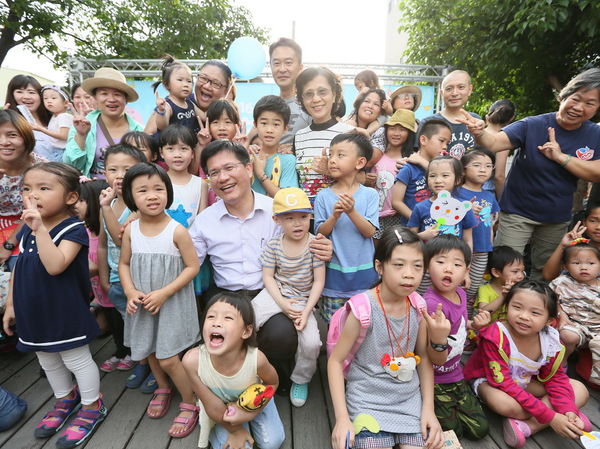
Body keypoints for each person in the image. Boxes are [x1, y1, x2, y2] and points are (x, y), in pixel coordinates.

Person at [188, 139, 332, 391]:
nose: (223, 178)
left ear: (248, 169)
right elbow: (189, 263)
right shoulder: (205, 220)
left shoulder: (276, 212)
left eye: (229, 168)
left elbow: (307, 240)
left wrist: (325, 248)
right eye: (214, 173)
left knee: (282, 335)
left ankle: (274, 373)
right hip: (226, 295)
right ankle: (235, 378)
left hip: (272, 291)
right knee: (220, 330)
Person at [2, 162, 107, 448]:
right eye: (27, 189)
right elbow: (18, 267)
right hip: (31, 310)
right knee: (46, 358)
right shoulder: (27, 229)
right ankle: (65, 398)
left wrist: (38, 229)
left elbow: (56, 265)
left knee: (75, 358)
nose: (32, 195)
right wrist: (11, 304)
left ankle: (91, 405)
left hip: (63, 311)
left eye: (43, 188)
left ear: (71, 197)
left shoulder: (73, 229)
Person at [459, 68, 600, 279]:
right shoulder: (533, 124)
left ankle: (536, 311)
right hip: (518, 212)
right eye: (575, 98)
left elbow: (596, 173)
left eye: (590, 103)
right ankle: (500, 310)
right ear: (563, 96)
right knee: (506, 268)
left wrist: (562, 158)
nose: (579, 108)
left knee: (546, 273)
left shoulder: (594, 134)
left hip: (556, 217)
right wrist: (479, 133)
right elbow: (495, 142)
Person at [328, 226, 446, 449]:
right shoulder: (363, 308)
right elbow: (335, 361)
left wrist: (428, 410)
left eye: (417, 266)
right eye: (399, 265)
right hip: (366, 399)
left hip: (408, 401)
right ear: (379, 266)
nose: (409, 273)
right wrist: (342, 418)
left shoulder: (418, 306)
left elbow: (424, 358)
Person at [119, 162, 200, 438]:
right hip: (143, 303)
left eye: (158, 188)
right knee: (150, 349)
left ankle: (189, 401)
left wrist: (165, 292)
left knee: (167, 357)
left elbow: (192, 267)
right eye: (142, 190)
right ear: (130, 197)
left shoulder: (177, 230)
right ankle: (163, 387)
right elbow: (124, 264)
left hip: (171, 301)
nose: (152, 195)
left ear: (168, 192)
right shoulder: (131, 230)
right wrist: (130, 291)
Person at [463, 280, 591, 449]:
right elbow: (504, 383)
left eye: (535, 312)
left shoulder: (550, 340)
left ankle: (529, 426)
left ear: (549, 320)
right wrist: (552, 417)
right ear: (506, 307)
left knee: (579, 390)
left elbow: (555, 378)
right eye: (517, 307)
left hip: (524, 380)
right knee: (507, 405)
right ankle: (553, 418)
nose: (524, 316)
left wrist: (568, 410)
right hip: (491, 382)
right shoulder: (496, 336)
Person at [183, 292, 285, 449]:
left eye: (227, 318)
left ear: (246, 331)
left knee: (272, 443)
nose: (216, 323)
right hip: (220, 410)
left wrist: (250, 413)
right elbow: (212, 405)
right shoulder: (192, 361)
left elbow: (272, 383)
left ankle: (251, 421)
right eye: (211, 317)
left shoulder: (256, 359)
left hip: (253, 400)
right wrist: (235, 430)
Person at [253, 187, 325, 407]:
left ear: (310, 217)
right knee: (249, 318)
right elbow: (268, 277)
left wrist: (306, 311)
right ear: (277, 220)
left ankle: (300, 378)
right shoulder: (274, 245)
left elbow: (319, 281)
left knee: (312, 343)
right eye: (290, 218)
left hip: (304, 300)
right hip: (277, 294)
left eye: (303, 217)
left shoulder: (314, 246)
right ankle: (247, 369)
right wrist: (283, 304)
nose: (298, 223)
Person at [422, 235, 490, 440]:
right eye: (440, 262)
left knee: (480, 429)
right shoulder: (432, 305)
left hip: (456, 373)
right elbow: (429, 350)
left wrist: (474, 325)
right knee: (454, 432)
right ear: (427, 267)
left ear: (466, 270)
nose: (448, 269)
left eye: (457, 263)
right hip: (435, 378)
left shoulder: (460, 293)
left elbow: (459, 325)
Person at [314, 132, 379, 322]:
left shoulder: (369, 195)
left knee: (363, 327)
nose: (332, 160)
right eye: (331, 154)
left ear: (359, 163)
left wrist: (351, 211)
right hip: (334, 277)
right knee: (335, 327)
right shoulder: (323, 197)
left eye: (340, 155)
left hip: (364, 277)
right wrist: (334, 216)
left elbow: (370, 231)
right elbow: (320, 232)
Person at [97, 144, 147, 374]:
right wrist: (105, 280)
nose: (119, 176)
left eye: (126, 169)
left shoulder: (138, 205)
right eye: (112, 169)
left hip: (135, 280)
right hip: (115, 281)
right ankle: (135, 356)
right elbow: (103, 245)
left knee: (141, 326)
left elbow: (119, 240)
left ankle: (144, 363)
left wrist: (106, 207)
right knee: (129, 325)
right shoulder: (108, 204)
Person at [64, 67, 143, 178]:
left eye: (117, 94)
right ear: (95, 97)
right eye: (104, 94)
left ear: (126, 99)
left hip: (128, 192)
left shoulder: (139, 131)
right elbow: (70, 166)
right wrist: (81, 136)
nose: (111, 99)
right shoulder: (82, 125)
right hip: (94, 192)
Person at [294, 66, 354, 203]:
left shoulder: (348, 134)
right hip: (306, 218)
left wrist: (330, 170)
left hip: (340, 215)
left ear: (334, 95)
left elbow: (363, 179)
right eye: (309, 94)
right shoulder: (299, 137)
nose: (316, 99)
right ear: (302, 100)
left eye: (322, 92)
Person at [0, 110, 47, 269]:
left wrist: (8, 245)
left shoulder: (40, 167)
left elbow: (37, 211)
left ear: (25, 137)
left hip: (30, 226)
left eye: (12, 135)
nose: (4, 142)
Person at [455, 149, 500, 310]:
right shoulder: (456, 192)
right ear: (464, 169)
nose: (483, 169)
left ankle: (466, 321)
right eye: (477, 165)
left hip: (482, 250)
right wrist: (464, 207)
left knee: (472, 288)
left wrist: (491, 246)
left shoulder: (490, 195)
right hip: (461, 249)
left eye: (488, 166)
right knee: (457, 285)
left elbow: (491, 223)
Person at [550, 240, 600, 376]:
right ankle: (563, 361)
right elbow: (549, 300)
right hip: (575, 326)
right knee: (568, 335)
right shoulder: (561, 283)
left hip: (597, 331)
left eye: (591, 263)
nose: (584, 267)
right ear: (565, 267)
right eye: (576, 263)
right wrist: (561, 314)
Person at [369, 109, 418, 239]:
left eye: (402, 129)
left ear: (409, 133)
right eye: (392, 129)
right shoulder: (377, 156)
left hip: (400, 217)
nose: (396, 133)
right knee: (377, 253)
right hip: (377, 215)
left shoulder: (412, 159)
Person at [408, 155, 477, 246]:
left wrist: (467, 259)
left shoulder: (461, 207)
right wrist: (422, 236)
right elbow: (410, 238)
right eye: (432, 176)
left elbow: (468, 240)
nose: (438, 180)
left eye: (445, 175)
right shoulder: (420, 207)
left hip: (454, 257)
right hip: (428, 257)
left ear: (457, 180)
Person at [392, 119, 451, 225]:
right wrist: (418, 220)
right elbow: (396, 202)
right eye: (441, 141)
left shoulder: (446, 168)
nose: (445, 146)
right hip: (414, 231)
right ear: (423, 140)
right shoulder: (408, 168)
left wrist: (422, 162)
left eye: (447, 143)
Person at [419, 70, 480, 159]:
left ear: (470, 90)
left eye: (461, 87)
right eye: (449, 89)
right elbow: (419, 155)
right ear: (442, 93)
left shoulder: (475, 120)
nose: (455, 93)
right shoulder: (429, 122)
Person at [248, 95, 299, 197]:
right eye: (264, 123)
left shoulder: (288, 160)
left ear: (285, 128)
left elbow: (285, 197)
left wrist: (260, 174)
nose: (269, 130)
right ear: (255, 125)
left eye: (276, 124)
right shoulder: (249, 157)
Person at [159, 125, 207, 227]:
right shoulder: (158, 182)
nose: (177, 155)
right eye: (170, 148)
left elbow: (202, 219)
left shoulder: (200, 184)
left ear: (192, 153)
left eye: (183, 149)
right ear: (161, 153)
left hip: (191, 240)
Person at [269, 37, 310, 144]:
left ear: (300, 68)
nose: (282, 69)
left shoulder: (310, 106)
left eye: (288, 63)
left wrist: (294, 149)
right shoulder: (267, 106)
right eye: (276, 63)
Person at [153, 56, 204, 135]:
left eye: (189, 81)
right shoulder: (168, 105)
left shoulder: (190, 103)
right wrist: (161, 111)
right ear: (167, 85)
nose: (185, 85)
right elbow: (162, 126)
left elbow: (204, 116)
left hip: (189, 144)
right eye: (180, 80)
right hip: (175, 145)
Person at [475, 246, 525, 323]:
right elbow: (483, 312)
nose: (521, 276)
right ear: (496, 272)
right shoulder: (485, 290)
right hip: (487, 332)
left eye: (522, 271)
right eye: (515, 271)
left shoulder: (520, 290)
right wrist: (503, 296)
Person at [32, 85, 73, 162]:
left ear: (66, 103)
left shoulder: (63, 116)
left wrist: (41, 129)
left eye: (53, 98)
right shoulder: (55, 116)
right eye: (45, 98)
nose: (49, 101)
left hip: (63, 152)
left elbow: (64, 136)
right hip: (56, 151)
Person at [483, 99, 516, 196]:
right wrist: (502, 201)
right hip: (486, 191)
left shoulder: (475, 134)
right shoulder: (503, 140)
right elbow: (499, 176)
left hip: (465, 189)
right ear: (511, 118)